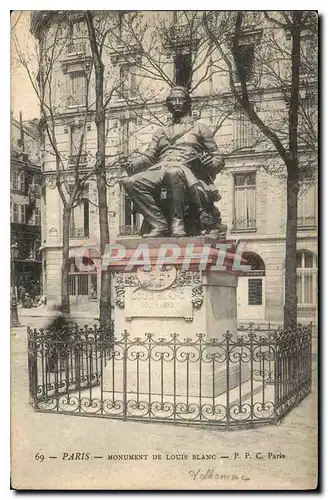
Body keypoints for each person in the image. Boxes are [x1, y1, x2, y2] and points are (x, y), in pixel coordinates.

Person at [121, 86, 225, 238]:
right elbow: (149, 156)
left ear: (187, 103)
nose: (176, 103)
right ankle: (159, 223)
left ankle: (178, 223)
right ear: (168, 105)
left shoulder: (200, 128)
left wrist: (211, 164)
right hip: (160, 169)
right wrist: (132, 165)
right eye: (172, 100)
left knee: (173, 172)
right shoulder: (161, 131)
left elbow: (218, 156)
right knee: (130, 182)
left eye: (180, 100)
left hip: (187, 170)